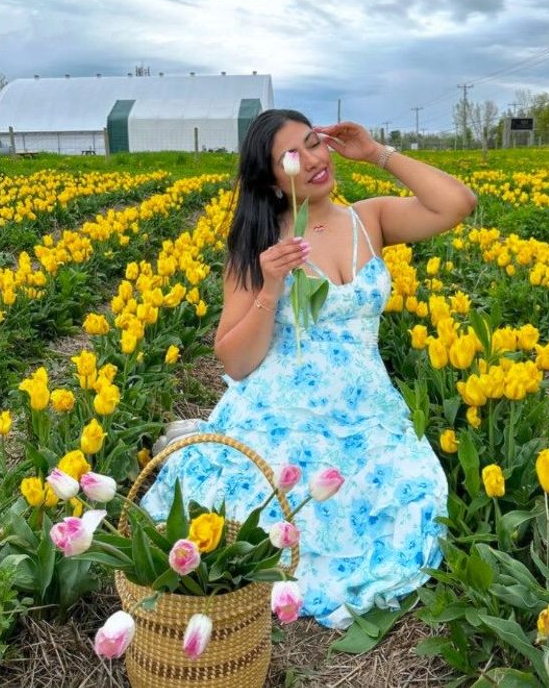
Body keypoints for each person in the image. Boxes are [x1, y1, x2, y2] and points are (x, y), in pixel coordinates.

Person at [142, 109, 477, 629]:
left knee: (395, 497)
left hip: (366, 407)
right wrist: (271, 286)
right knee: (290, 504)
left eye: (314, 143)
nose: (316, 159)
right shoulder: (258, 246)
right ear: (272, 180)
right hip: (285, 406)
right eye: (293, 156)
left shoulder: (370, 220)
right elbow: (235, 359)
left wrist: (377, 154)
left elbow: (458, 203)